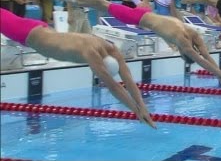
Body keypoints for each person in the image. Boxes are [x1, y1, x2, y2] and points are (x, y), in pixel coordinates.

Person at [0, 7, 156, 129]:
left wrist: (141, 105)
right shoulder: (92, 53)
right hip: (28, 34)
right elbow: (114, 86)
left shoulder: (109, 47)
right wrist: (137, 111)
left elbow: (127, 78)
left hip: (39, 29)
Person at [59, 0, 221, 88]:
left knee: (101, 4)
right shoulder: (183, 43)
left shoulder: (193, 34)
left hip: (146, 15)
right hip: (137, 18)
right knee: (102, 4)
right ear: (182, 52)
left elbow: (205, 55)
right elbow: (202, 59)